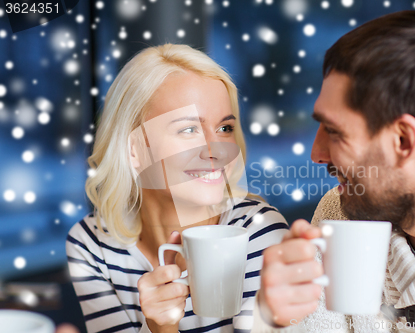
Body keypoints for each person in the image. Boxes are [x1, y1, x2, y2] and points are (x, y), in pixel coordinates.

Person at [253, 10, 415, 333]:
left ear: (403, 140)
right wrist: (275, 320)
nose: (316, 155)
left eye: (335, 131)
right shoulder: (340, 214)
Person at [66, 43, 289, 333]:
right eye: (188, 129)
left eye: (224, 129)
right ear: (134, 149)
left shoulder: (260, 231)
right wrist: (160, 328)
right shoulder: (90, 244)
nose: (216, 151)